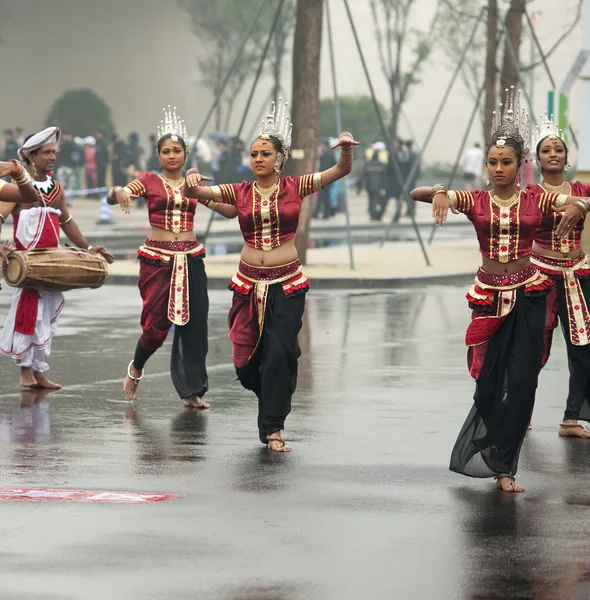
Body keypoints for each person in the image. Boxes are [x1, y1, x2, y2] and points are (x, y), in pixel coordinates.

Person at [410, 88, 587, 492]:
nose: (498, 168)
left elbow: (575, 200)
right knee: (487, 383)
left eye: (506, 162)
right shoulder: (473, 200)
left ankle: (506, 468)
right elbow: (415, 194)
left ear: (519, 164)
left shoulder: (535, 198)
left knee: (523, 381)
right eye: (492, 162)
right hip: (489, 299)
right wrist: (438, 190)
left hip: (528, 295)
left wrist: (582, 206)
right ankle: (490, 443)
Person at [184, 99, 358, 452]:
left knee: (278, 355)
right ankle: (275, 392)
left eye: (264, 153)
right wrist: (189, 184)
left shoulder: (296, 186)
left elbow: (337, 172)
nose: (258, 159)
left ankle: (273, 429)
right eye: (253, 154)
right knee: (245, 362)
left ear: (278, 158)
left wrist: (345, 152)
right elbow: (199, 192)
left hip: (287, 283)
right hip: (247, 284)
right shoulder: (240, 191)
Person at [108, 107, 236, 409]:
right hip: (158, 261)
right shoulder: (149, 181)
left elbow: (230, 212)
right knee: (156, 326)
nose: (172, 155)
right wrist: (118, 191)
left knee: (195, 326)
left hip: (191, 258)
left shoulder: (193, 186)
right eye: (166, 151)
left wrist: (217, 194)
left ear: (186, 153)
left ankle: (191, 392)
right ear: (158, 155)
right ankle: (137, 366)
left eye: (177, 150)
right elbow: (118, 194)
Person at [0, 127, 114, 389]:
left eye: (54, 152)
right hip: (28, 264)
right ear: (31, 157)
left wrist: (88, 249)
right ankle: (25, 370)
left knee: (47, 318)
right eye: (47, 152)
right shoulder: (16, 187)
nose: (52, 157)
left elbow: (68, 222)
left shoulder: (56, 189)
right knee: (28, 314)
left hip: (50, 265)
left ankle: (39, 370)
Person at [528, 114, 590, 439]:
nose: (553, 154)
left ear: (566, 158)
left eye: (559, 150)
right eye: (546, 150)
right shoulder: (529, 192)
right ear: (538, 159)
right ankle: (520, 411)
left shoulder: (581, 188)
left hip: (578, 275)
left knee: (583, 348)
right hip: (540, 276)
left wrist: (583, 204)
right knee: (533, 347)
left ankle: (570, 419)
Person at [357, 145, 388, 221]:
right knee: (378, 200)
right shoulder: (382, 165)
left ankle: (372, 214)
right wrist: (385, 186)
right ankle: (377, 214)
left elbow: (361, 176)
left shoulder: (367, 165)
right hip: (379, 186)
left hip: (369, 186)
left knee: (371, 200)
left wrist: (359, 187)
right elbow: (385, 176)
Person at [313, 140, 337, 219]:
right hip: (329, 178)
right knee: (326, 197)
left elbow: (324, 167)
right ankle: (326, 213)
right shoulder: (330, 153)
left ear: (324, 145)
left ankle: (319, 213)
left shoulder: (326, 154)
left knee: (322, 197)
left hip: (324, 178)